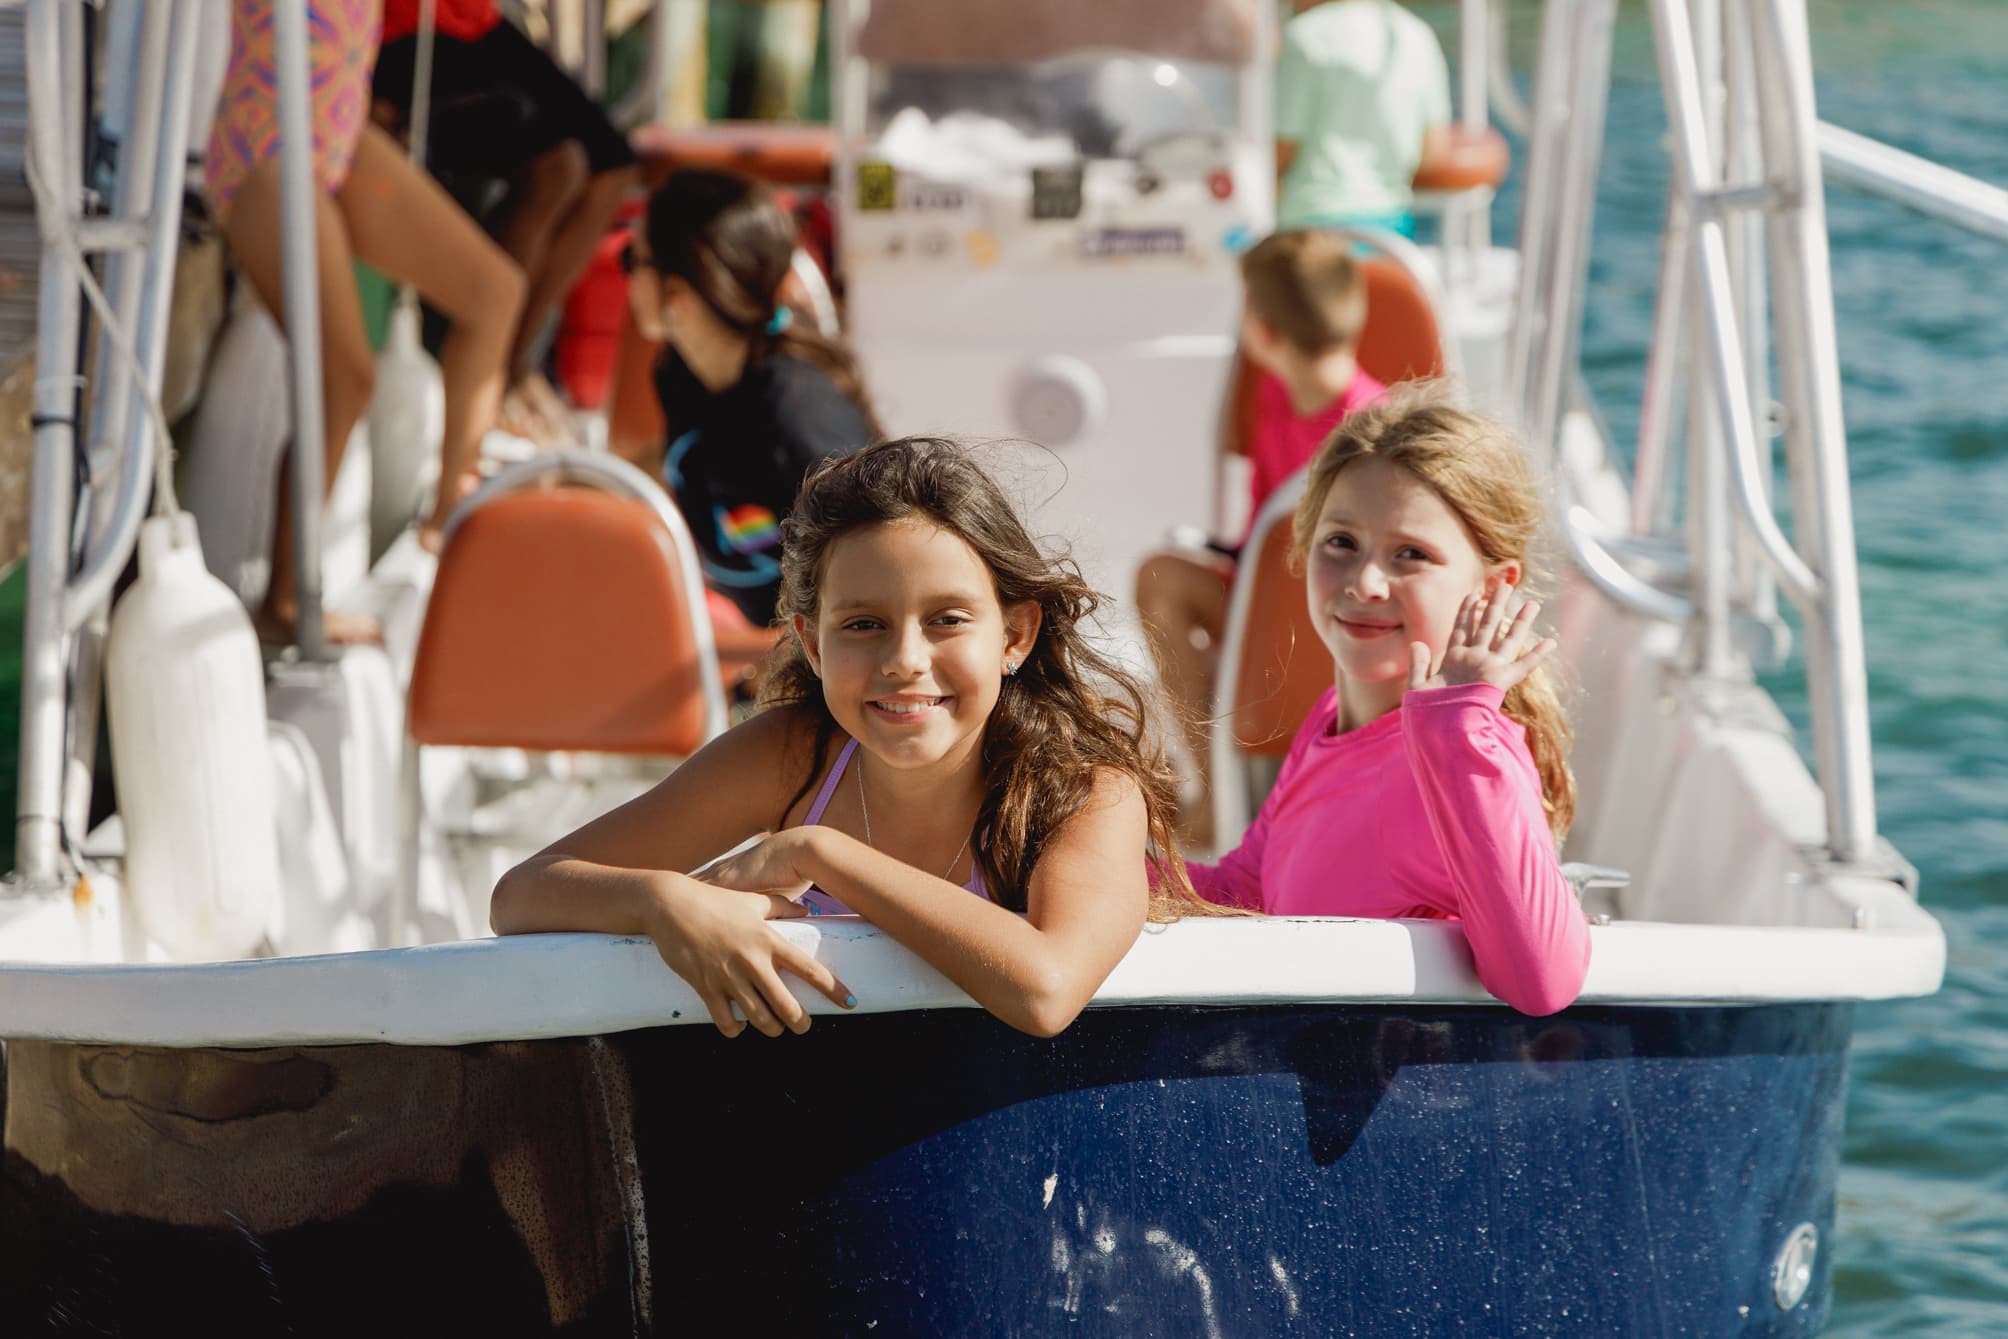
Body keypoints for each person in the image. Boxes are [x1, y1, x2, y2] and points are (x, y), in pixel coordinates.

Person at [491, 437, 1200, 1038]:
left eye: (947, 619)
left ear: (1015, 634)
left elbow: (1045, 989)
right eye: (863, 624)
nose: (905, 659)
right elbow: (520, 896)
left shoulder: (1087, 793)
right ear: (813, 643)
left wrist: (817, 851)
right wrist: (663, 901)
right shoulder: (790, 755)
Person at [1188, 389, 1592, 1016]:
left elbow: (1543, 981)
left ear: (1492, 587)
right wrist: (1073, 856)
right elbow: (1246, 888)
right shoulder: (1331, 718)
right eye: (1341, 543)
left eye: (1411, 555)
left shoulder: (1465, 752)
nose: (1365, 582)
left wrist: (1457, 730)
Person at [205, 0, 524, 640]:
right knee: (345, 380)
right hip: (269, 148)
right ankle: (285, 602)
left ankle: (447, 529)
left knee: (495, 292)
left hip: (335, 134)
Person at [1134, 229, 1387, 846]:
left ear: (1266, 333)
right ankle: (1214, 799)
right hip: (1269, 607)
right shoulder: (1277, 393)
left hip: (1343, 635)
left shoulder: (1375, 437)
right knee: (1160, 576)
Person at [626, 169, 879, 628]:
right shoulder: (680, 374)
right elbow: (685, 463)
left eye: (632, 259)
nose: (625, 277)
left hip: (809, 656)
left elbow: (874, 580)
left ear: (677, 294)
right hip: (749, 640)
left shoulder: (800, 421)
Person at [371, 0, 641, 403]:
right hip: (404, 31)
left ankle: (509, 367)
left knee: (612, 166)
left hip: (472, 19)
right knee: (560, 169)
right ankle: (493, 373)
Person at [1275, 0, 1454, 237]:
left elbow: (1280, 151)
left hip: (1309, 230)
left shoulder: (1303, 36)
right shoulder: (1418, 35)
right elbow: (1433, 151)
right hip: (1392, 228)